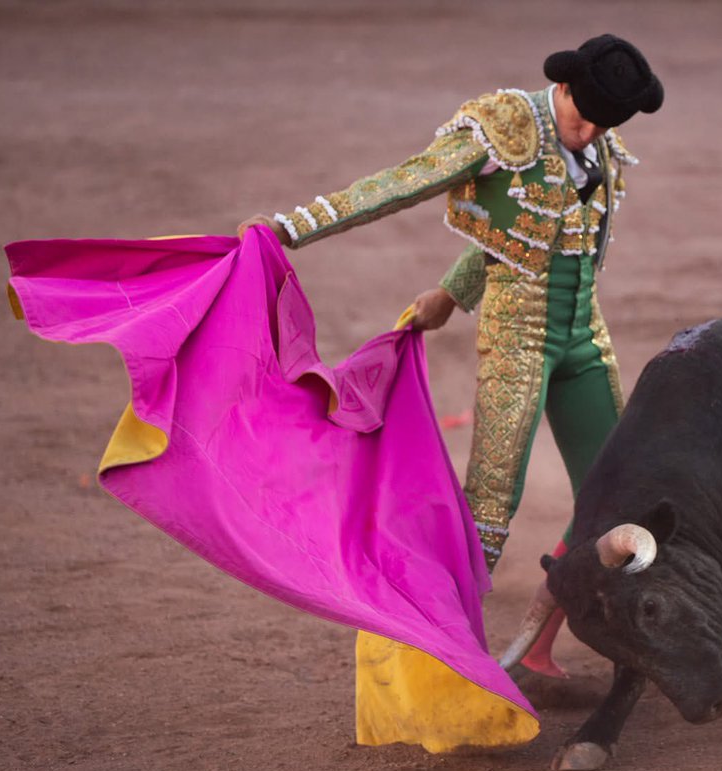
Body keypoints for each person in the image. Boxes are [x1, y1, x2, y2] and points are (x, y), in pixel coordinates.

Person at [239, 34, 663, 676]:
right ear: (565, 87)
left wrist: (449, 290)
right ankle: (440, 658)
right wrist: (290, 228)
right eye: (585, 116)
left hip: (584, 337)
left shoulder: (601, 145)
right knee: (491, 506)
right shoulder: (505, 126)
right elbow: (403, 183)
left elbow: (522, 232)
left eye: (605, 123)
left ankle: (537, 649)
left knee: (615, 494)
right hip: (517, 337)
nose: (590, 131)